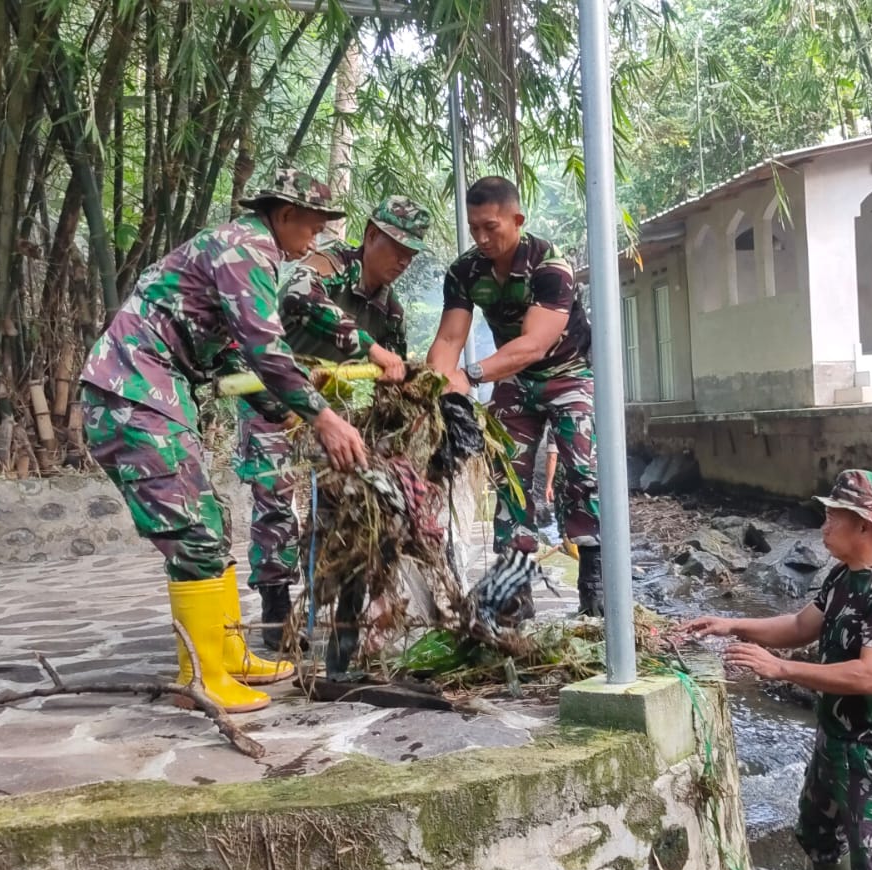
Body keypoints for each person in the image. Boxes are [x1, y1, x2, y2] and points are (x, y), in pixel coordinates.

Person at [78, 168, 368, 714]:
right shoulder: (245, 250)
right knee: (194, 532)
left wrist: (278, 408)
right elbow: (266, 347)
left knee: (214, 522)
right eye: (312, 227)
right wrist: (323, 418)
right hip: (133, 394)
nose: (316, 240)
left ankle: (227, 649)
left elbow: (230, 356)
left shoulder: (238, 251)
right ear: (284, 216)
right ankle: (205, 676)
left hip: (154, 392)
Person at [683, 470, 872, 870]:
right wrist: (732, 624)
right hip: (834, 743)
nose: (823, 526)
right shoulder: (843, 577)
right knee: (819, 836)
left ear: (864, 524)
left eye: (833, 517)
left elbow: (870, 676)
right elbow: (799, 626)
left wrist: (781, 670)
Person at [234, 197, 430, 674]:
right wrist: (369, 347)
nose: (403, 260)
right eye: (396, 246)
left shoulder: (391, 309)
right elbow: (299, 298)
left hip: (339, 415)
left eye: (412, 253)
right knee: (275, 496)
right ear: (369, 236)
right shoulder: (326, 266)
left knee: (355, 504)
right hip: (275, 399)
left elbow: (392, 375)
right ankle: (278, 607)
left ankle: (347, 607)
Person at [425, 176, 604, 615]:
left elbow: (534, 345)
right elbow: (449, 338)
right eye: (474, 229)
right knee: (508, 477)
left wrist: (469, 375)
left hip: (568, 373)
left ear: (517, 219)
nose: (482, 238)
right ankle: (514, 590)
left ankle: (595, 583)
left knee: (582, 470)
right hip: (513, 380)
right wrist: (435, 390)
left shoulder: (550, 268)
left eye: (491, 227)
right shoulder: (465, 271)